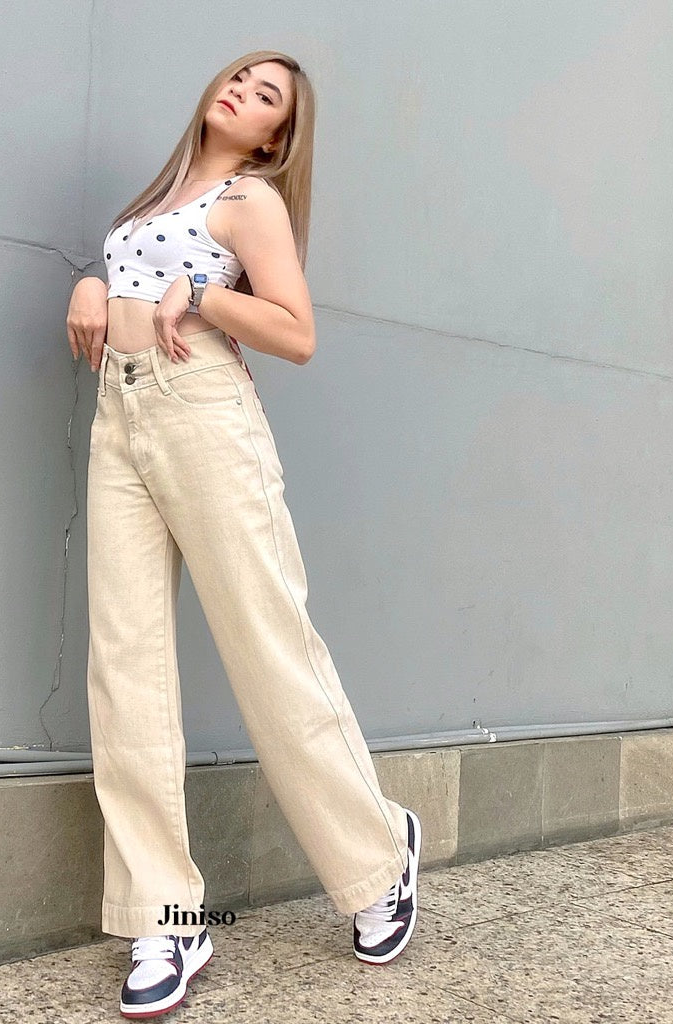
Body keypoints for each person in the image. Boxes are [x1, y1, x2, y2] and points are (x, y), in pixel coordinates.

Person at [65, 49, 422, 1020]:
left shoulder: (250, 199)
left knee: (269, 649)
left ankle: (378, 857)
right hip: (121, 415)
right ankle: (167, 916)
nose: (243, 92)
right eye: (241, 78)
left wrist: (207, 297)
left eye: (268, 97)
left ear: (274, 138)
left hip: (203, 411)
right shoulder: (157, 197)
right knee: (125, 668)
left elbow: (296, 333)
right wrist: (92, 288)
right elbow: (133, 280)